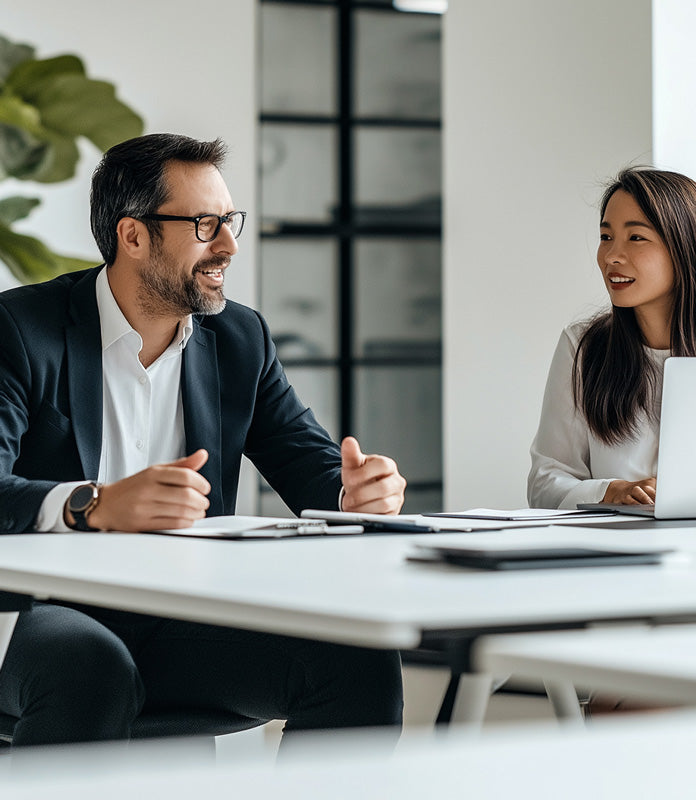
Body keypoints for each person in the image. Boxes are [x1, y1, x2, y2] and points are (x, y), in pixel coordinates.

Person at [0, 133, 406, 747]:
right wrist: (95, 504)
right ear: (133, 236)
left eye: (229, 220)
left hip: (177, 617)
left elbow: (312, 469)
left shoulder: (240, 339)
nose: (230, 245)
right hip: (33, 614)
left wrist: (357, 496)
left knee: (356, 657)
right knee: (90, 667)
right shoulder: (20, 331)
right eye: (206, 224)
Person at [528, 166, 696, 510]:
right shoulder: (583, 347)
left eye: (636, 238)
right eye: (606, 236)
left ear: (686, 249)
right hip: (618, 554)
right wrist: (611, 491)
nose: (611, 256)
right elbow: (545, 482)